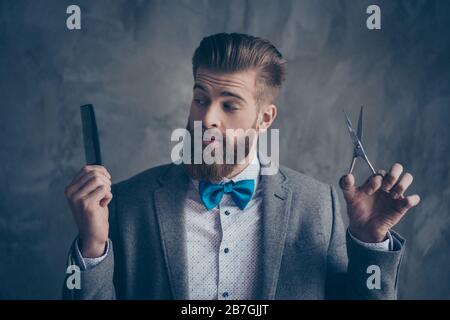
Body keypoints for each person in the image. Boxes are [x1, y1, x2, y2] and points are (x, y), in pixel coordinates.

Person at [63, 33, 420, 300]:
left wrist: (369, 244)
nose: (207, 119)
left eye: (229, 106)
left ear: (264, 118)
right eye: (200, 99)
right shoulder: (127, 204)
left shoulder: (317, 206)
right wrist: (93, 246)